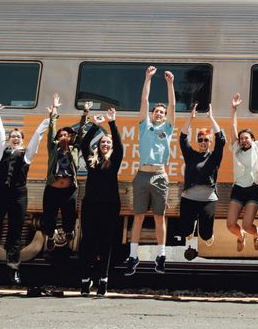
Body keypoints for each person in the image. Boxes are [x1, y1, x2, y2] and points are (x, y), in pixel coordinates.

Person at [0, 104, 49, 284]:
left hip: (18, 195)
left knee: (15, 232)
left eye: (18, 137)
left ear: (22, 140)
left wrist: (49, 118)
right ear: (9, 139)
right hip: (0, 193)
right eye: (13, 136)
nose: (15, 138)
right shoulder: (2, 152)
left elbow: (37, 136)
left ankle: (13, 270)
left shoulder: (27, 154)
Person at [126, 67, 176, 276]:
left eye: (162, 112)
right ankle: (133, 255)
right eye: (157, 111)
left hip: (159, 175)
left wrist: (170, 84)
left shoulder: (168, 128)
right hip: (142, 175)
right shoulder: (144, 126)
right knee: (137, 216)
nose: (159, 113)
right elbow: (144, 102)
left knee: (159, 216)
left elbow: (173, 104)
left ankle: (161, 255)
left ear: (165, 117)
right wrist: (148, 78)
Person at [78, 107, 122, 296]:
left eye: (107, 142)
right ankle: (85, 281)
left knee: (105, 244)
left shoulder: (115, 160)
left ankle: (103, 281)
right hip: (90, 205)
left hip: (110, 206)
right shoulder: (91, 161)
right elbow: (83, 143)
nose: (105, 144)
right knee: (87, 243)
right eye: (103, 142)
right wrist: (96, 126)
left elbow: (119, 144)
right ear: (99, 145)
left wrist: (112, 123)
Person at [42, 93, 90, 252]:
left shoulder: (75, 149)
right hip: (52, 189)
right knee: (49, 217)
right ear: (57, 138)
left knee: (69, 216)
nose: (63, 136)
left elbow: (82, 133)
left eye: (66, 135)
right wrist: (54, 109)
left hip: (70, 189)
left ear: (70, 138)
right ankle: (50, 236)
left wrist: (85, 113)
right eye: (61, 135)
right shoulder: (53, 147)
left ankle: (69, 231)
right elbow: (51, 129)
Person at [179, 101, 226, 260]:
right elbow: (182, 138)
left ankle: (206, 234)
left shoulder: (214, 157)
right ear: (197, 142)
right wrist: (190, 119)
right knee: (185, 232)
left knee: (205, 236)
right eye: (200, 140)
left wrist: (211, 118)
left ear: (210, 142)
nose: (203, 143)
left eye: (206, 140)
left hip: (208, 199)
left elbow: (221, 140)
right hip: (189, 198)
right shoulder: (191, 155)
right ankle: (189, 230)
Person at [226, 93, 258, 251]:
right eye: (241, 138)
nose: (243, 140)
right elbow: (232, 127)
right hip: (238, 189)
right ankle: (240, 236)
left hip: (253, 189)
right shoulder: (236, 149)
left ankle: (256, 232)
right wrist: (234, 108)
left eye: (247, 138)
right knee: (231, 225)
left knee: (247, 224)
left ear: (252, 139)